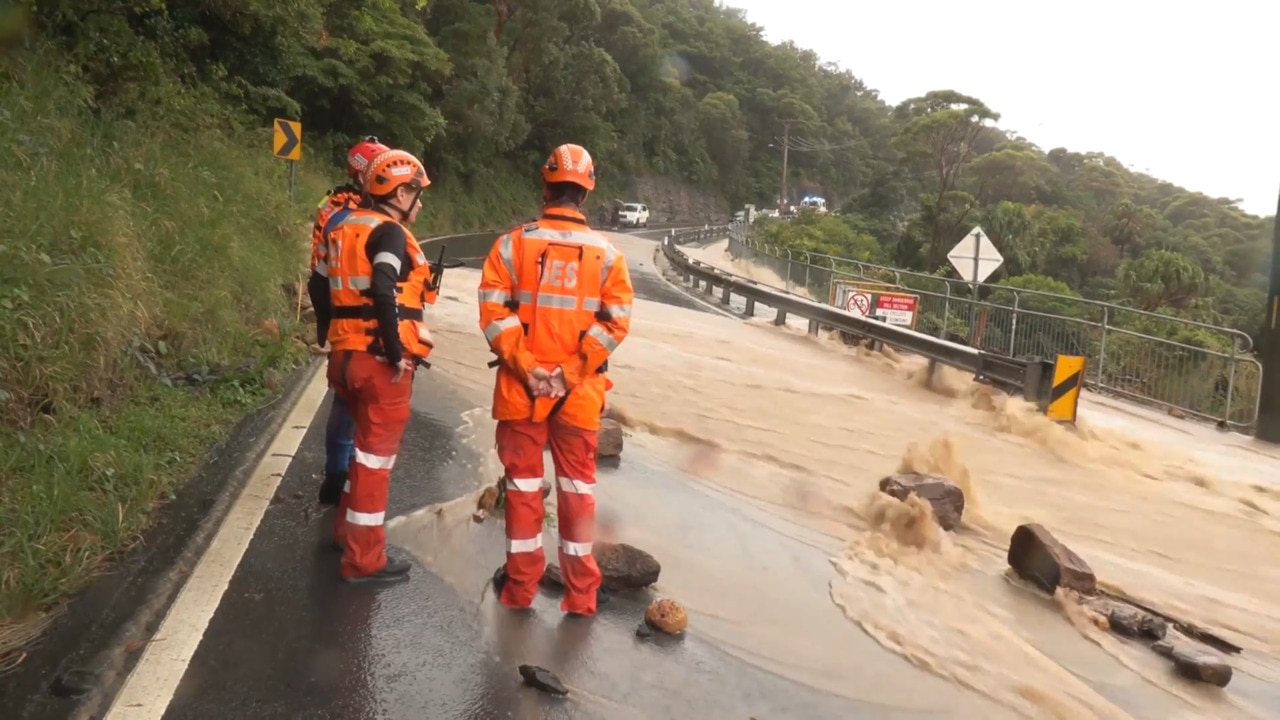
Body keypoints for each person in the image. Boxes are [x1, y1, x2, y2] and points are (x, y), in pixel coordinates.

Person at [477, 143, 635, 616]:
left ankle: (520, 589)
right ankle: (582, 595)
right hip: (579, 396)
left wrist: (529, 368)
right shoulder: (609, 255)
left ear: (546, 186)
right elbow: (615, 324)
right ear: (586, 194)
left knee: (524, 491)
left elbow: (492, 314)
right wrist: (568, 374)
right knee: (578, 492)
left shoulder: (512, 244)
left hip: (520, 391)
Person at [324, 148, 435, 583]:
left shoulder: (344, 225)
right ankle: (364, 561)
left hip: (344, 356)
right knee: (375, 464)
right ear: (399, 191)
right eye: (416, 193)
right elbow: (384, 287)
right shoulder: (388, 233)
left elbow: (321, 285)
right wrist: (394, 352)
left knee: (360, 456)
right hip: (376, 364)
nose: (420, 203)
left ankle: (345, 535)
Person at [308, 136, 389, 507]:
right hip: (370, 326)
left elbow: (319, 274)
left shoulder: (331, 208)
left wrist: (324, 327)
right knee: (370, 408)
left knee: (342, 401)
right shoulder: (374, 218)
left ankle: (335, 473)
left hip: (339, 318)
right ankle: (357, 485)